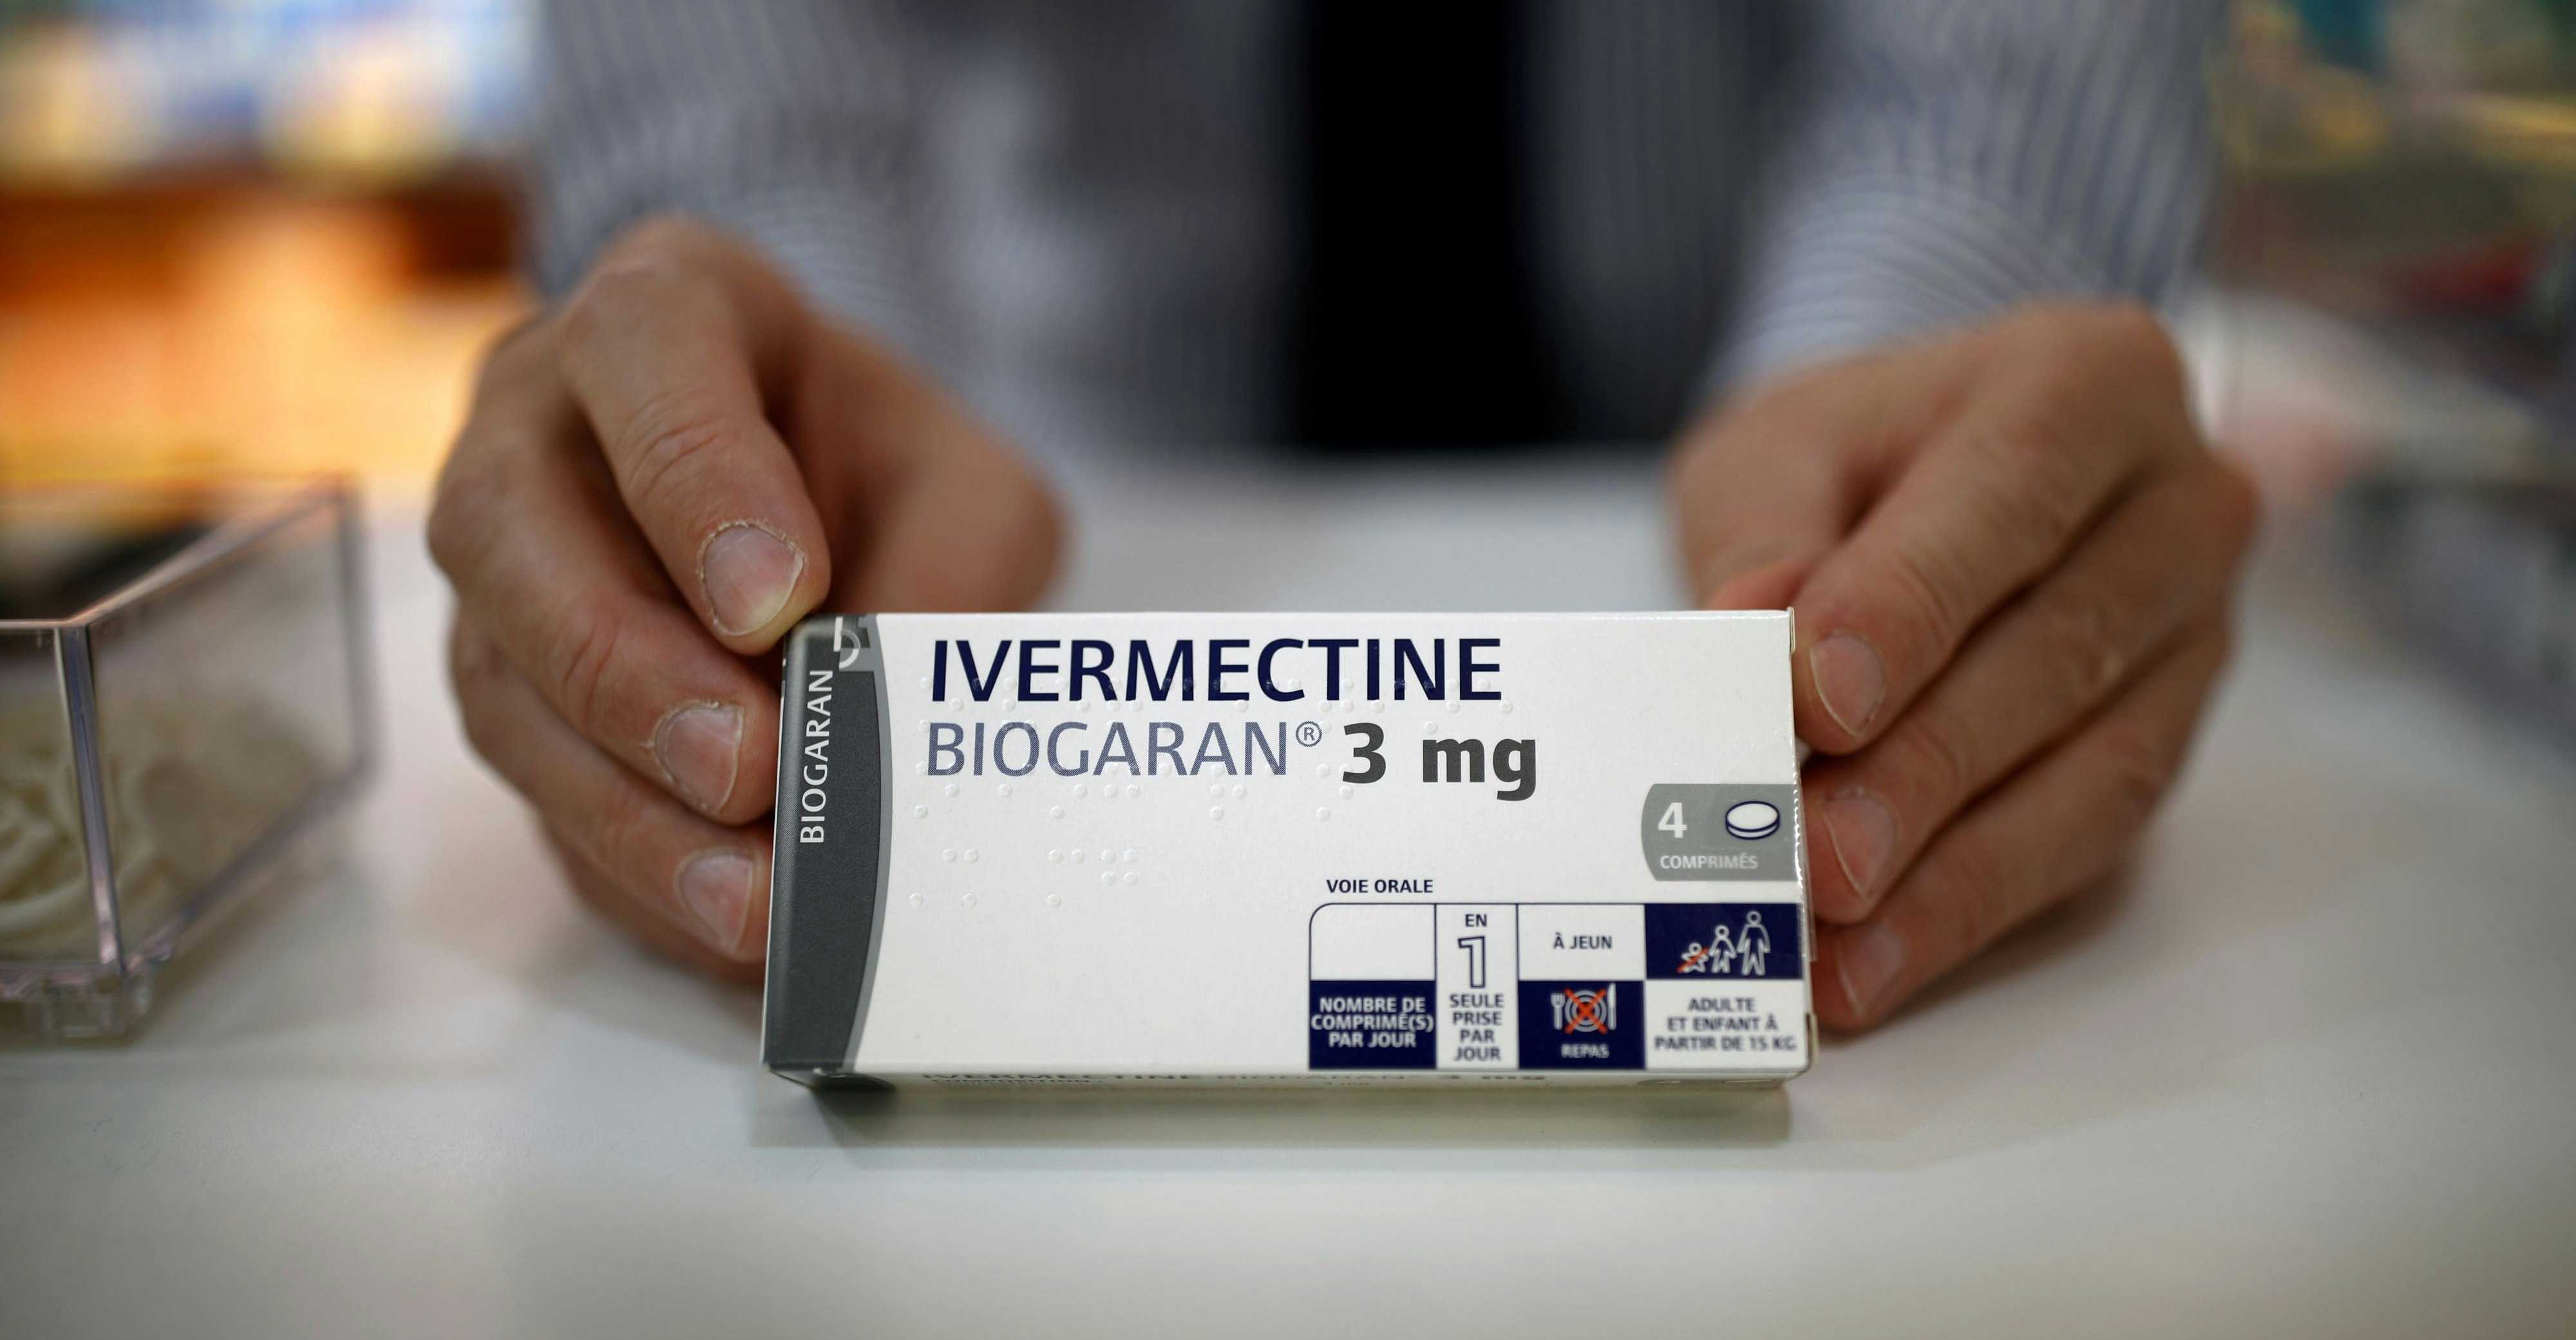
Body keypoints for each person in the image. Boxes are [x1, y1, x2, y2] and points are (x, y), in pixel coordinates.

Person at [429, 1, 2257, 1033]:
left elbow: (1990, 100)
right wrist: (754, 425)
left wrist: (1922, 443)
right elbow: (747, 87)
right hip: (1037, 552)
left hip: (1711, 523)